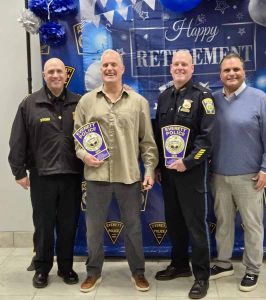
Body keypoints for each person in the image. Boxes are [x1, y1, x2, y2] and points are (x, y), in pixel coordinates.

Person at [74, 49, 158, 293]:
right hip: (96, 177)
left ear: (122, 69)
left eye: (114, 65)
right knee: (93, 228)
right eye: (105, 65)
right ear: (101, 70)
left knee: (132, 227)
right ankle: (93, 273)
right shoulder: (86, 102)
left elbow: (148, 142)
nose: (109, 69)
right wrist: (83, 154)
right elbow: (77, 136)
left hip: (128, 176)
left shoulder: (138, 102)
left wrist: (150, 168)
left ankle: (138, 272)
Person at [210, 52, 266, 292]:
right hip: (219, 175)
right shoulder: (213, 101)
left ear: (244, 72)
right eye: (226, 70)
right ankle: (223, 263)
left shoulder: (259, 98)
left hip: (250, 177)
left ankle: (252, 269)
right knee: (223, 223)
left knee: (252, 225)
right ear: (220, 75)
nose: (231, 74)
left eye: (236, 70)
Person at [8, 58, 83, 288]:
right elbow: (18, 141)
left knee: (69, 224)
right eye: (51, 71)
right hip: (42, 176)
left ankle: (66, 267)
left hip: (72, 175)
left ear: (65, 75)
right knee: (43, 225)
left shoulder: (79, 103)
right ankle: (42, 269)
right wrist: (18, 172)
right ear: (44, 74)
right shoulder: (29, 104)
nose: (56, 75)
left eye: (59, 71)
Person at [154, 50, 215, 299]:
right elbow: (159, 135)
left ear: (192, 68)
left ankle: (201, 276)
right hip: (168, 174)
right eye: (176, 64)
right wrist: (158, 165)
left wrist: (188, 162)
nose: (179, 67)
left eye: (184, 64)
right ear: (171, 68)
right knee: (175, 222)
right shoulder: (164, 96)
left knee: (196, 225)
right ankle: (179, 265)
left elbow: (207, 139)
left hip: (191, 173)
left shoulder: (203, 96)